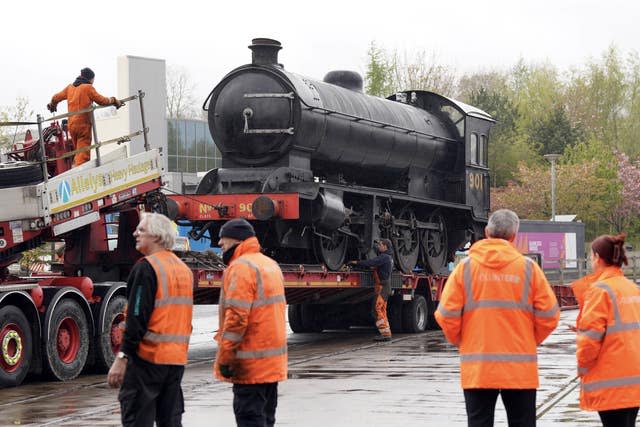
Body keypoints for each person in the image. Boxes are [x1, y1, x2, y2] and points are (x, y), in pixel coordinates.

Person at [435, 209, 560, 427]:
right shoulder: (529, 269)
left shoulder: (465, 269)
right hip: (519, 369)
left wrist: (463, 342)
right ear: (514, 236)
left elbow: (446, 314)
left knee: (479, 422)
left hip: (479, 366)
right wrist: (530, 341)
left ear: (486, 232)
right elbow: (550, 315)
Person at [107, 212, 194, 427]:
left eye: (142, 230)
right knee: (170, 421)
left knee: (137, 419)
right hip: (175, 361)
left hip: (148, 360)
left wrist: (122, 358)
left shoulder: (147, 268)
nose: (135, 233)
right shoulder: (184, 270)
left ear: (156, 236)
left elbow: (137, 318)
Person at [214, 218, 287, 427]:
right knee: (266, 419)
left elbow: (236, 319)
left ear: (237, 240)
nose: (219, 244)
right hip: (271, 364)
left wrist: (225, 358)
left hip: (250, 366)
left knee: (250, 419)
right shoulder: (270, 265)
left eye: (223, 240)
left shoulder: (241, 268)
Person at [573, 234, 640, 427]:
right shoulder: (631, 288)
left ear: (597, 257)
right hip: (633, 377)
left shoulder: (600, 290)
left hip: (611, 378)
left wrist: (583, 367)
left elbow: (590, 338)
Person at [47, 67, 123, 166]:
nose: (93, 83)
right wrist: (114, 100)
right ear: (90, 79)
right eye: (93, 80)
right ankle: (79, 174)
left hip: (72, 126)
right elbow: (102, 101)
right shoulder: (88, 88)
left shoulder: (70, 88)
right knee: (83, 157)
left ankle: (75, 166)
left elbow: (56, 97)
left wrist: (53, 105)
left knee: (78, 152)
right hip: (83, 127)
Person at [348, 238, 394, 342]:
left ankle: (385, 334)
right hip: (384, 286)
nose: (379, 246)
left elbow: (371, 262)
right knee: (382, 310)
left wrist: (356, 262)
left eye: (380, 245)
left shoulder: (384, 257)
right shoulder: (388, 257)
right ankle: (386, 333)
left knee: (377, 309)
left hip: (383, 287)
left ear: (385, 247)